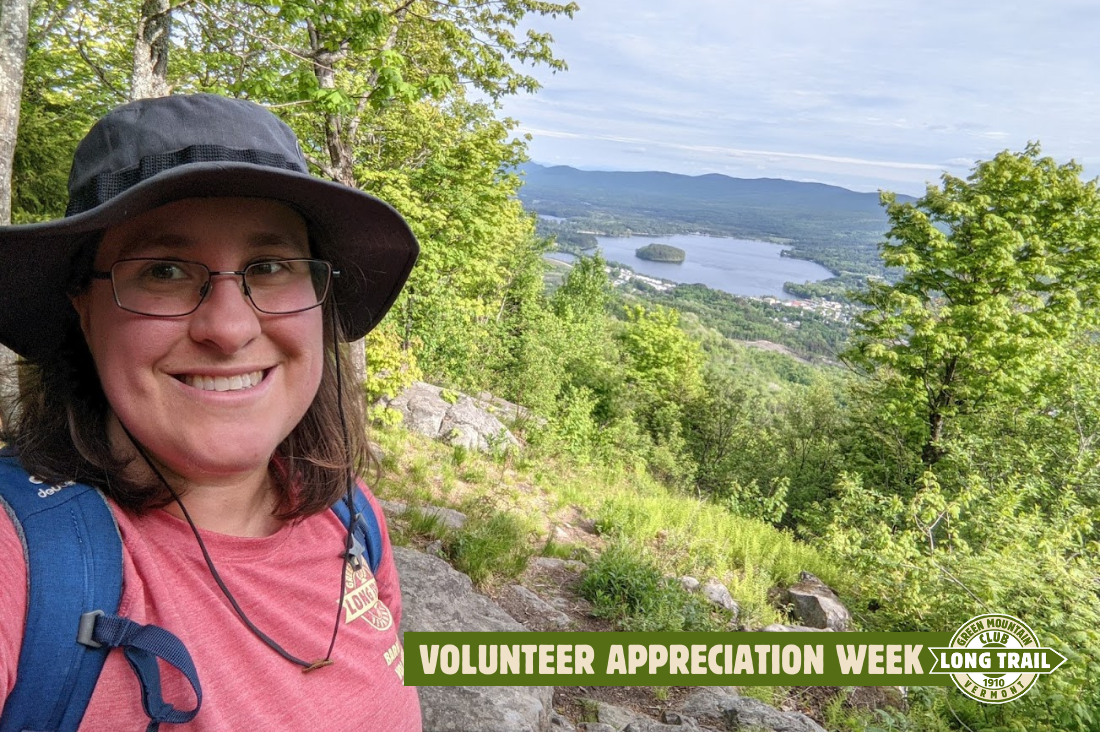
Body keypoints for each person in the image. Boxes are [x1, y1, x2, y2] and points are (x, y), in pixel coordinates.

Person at [0, 93, 422, 730]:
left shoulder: (353, 520)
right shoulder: (24, 563)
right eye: (165, 269)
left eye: (272, 265)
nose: (229, 327)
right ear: (85, 311)